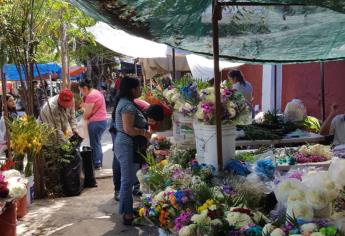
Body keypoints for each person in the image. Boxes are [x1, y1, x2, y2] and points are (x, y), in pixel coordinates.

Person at [113, 76, 152, 225]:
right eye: (139, 87)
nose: (141, 89)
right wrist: (143, 133)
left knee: (127, 179)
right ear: (132, 89)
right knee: (127, 180)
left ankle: (126, 210)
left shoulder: (127, 103)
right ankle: (128, 215)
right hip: (126, 145)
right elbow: (128, 129)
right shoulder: (128, 106)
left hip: (125, 144)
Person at [111, 102, 164, 202]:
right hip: (119, 131)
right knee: (120, 163)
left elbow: (148, 132)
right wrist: (144, 134)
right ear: (148, 115)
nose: (152, 123)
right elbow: (133, 129)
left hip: (130, 133)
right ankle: (118, 190)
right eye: (152, 120)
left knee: (137, 157)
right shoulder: (135, 109)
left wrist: (150, 140)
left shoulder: (150, 113)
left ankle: (136, 185)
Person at [79, 79, 108, 169]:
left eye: (80, 90)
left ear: (85, 88)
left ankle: (97, 162)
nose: (81, 92)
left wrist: (81, 119)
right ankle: (98, 161)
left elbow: (87, 113)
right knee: (97, 142)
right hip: (101, 121)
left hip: (96, 122)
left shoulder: (91, 96)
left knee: (95, 143)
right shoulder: (96, 92)